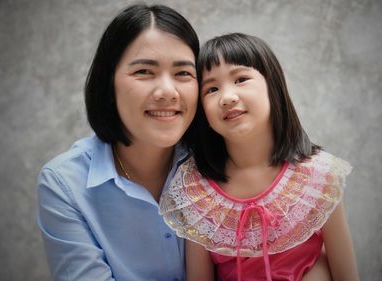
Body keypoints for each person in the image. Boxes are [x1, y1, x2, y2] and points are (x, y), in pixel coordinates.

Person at [159, 33, 359, 281]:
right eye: (211, 89)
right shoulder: (196, 190)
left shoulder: (319, 175)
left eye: (241, 79)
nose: (228, 97)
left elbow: (346, 275)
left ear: (272, 85)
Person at [37, 4, 199, 281]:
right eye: (144, 72)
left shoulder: (220, 164)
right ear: (108, 84)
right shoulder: (64, 183)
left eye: (183, 73)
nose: (167, 92)